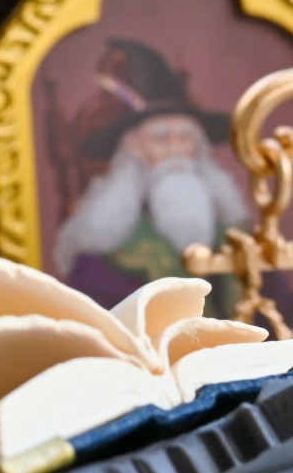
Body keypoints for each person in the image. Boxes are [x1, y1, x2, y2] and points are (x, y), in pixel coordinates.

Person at [51, 39, 251, 310]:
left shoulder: (234, 238)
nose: (175, 149)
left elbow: (284, 309)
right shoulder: (104, 260)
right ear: (134, 151)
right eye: (160, 138)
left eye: (185, 137)